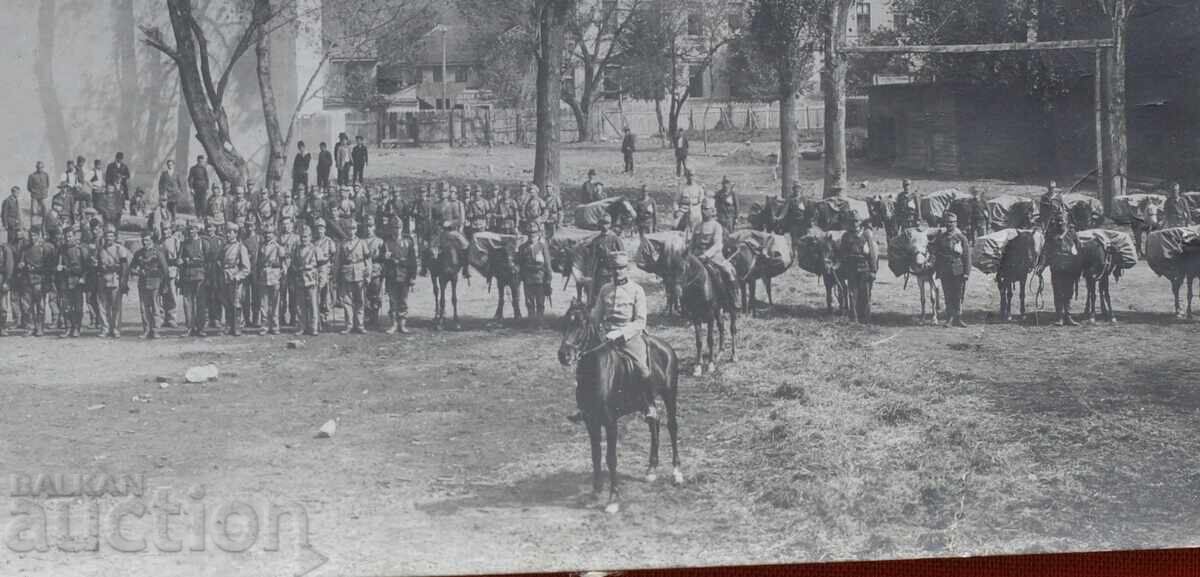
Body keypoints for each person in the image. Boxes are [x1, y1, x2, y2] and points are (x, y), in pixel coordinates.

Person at [567, 250, 655, 424]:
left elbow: (640, 321)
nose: (617, 272)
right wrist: (585, 318)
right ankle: (583, 407)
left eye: (621, 268)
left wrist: (622, 333)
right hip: (606, 336)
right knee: (585, 365)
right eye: (614, 268)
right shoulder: (605, 289)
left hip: (630, 336)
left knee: (642, 368)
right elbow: (596, 316)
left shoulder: (637, 290)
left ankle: (649, 405)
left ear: (627, 269)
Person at [690, 199, 739, 308]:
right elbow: (692, 243)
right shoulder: (697, 226)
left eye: (706, 209)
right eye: (702, 208)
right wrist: (689, 254)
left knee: (728, 272)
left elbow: (717, 245)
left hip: (713, 258)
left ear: (712, 211)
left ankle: (733, 299)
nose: (703, 211)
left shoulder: (716, 226)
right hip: (697, 257)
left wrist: (706, 255)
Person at [836, 213, 878, 324]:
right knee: (852, 293)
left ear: (860, 222)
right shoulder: (846, 236)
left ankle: (865, 318)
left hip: (865, 268)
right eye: (852, 221)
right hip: (851, 269)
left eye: (856, 221)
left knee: (865, 294)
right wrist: (842, 268)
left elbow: (872, 254)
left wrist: (873, 270)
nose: (854, 224)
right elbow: (842, 254)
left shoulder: (866, 235)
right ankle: (853, 318)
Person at [933, 212, 971, 328]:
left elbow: (967, 256)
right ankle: (949, 318)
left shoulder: (961, 238)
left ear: (956, 223)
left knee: (958, 295)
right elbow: (936, 254)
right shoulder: (941, 238)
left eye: (952, 222)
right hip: (945, 270)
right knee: (948, 294)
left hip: (958, 270)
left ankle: (958, 318)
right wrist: (937, 270)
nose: (949, 224)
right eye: (947, 222)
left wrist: (966, 272)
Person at [129, 230, 169, 339]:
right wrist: (137, 271)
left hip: (155, 282)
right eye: (143, 240)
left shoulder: (158, 252)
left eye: (147, 240)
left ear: (152, 240)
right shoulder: (138, 253)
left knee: (155, 307)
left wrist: (165, 284)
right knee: (144, 308)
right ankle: (146, 329)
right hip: (142, 282)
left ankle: (155, 330)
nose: (144, 242)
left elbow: (165, 269)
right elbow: (132, 267)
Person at [93, 225, 131, 338]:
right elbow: (97, 264)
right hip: (102, 279)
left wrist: (124, 282)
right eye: (107, 236)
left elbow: (124, 267)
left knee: (116, 306)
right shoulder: (100, 250)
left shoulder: (120, 249)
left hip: (115, 279)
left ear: (115, 237)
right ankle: (105, 328)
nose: (109, 238)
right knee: (102, 306)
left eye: (111, 236)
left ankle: (115, 328)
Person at [380, 222, 418, 335]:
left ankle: (402, 324)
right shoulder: (386, 243)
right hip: (391, 275)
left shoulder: (408, 242)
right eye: (394, 227)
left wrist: (413, 276)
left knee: (403, 301)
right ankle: (393, 324)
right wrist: (384, 257)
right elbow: (381, 259)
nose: (397, 230)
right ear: (391, 229)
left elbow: (413, 261)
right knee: (392, 301)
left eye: (399, 227)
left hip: (404, 275)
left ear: (402, 228)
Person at [335, 222, 371, 334]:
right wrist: (336, 276)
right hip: (346, 273)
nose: (351, 231)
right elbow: (337, 261)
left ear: (356, 230)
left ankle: (360, 325)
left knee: (360, 300)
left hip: (360, 273)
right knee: (347, 301)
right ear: (346, 230)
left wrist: (368, 274)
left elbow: (368, 259)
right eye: (349, 229)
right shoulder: (342, 244)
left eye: (353, 228)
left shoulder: (362, 242)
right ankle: (349, 325)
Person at [17, 228, 54, 336]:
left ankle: (40, 328)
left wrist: (37, 269)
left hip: (39, 281)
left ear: (39, 235)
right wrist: (21, 265)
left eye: (34, 235)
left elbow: (48, 267)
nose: (32, 237)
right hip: (27, 280)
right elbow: (21, 261)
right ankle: (30, 327)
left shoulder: (44, 248)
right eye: (31, 235)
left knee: (40, 306)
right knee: (27, 306)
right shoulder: (25, 248)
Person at [218, 223, 251, 336]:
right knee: (226, 302)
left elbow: (246, 268)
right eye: (226, 232)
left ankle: (237, 326)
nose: (227, 235)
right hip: (225, 277)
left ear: (236, 234)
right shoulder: (224, 247)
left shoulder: (241, 247)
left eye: (230, 232)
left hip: (235, 279)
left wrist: (239, 276)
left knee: (236, 303)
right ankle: (228, 325)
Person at [254, 226, 288, 335]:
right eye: (266, 233)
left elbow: (284, 263)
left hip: (274, 276)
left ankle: (275, 326)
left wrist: (282, 273)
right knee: (263, 304)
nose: (267, 235)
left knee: (275, 303)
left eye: (270, 233)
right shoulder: (261, 246)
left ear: (274, 234)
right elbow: (258, 262)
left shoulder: (278, 247)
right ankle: (264, 326)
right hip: (263, 277)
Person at [518, 226, 553, 324]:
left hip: (540, 277)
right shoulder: (522, 247)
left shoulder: (542, 246)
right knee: (529, 302)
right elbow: (520, 263)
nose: (531, 236)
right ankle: (531, 321)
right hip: (528, 277)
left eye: (534, 233)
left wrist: (549, 278)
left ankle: (540, 322)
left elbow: (547, 263)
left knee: (540, 302)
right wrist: (521, 276)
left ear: (538, 234)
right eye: (529, 233)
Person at [587, 212, 625, 301]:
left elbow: (623, 255)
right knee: (599, 291)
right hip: (600, 270)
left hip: (614, 270)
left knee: (614, 292)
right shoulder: (596, 240)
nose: (604, 226)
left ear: (610, 224)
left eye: (606, 223)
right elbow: (592, 256)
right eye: (602, 223)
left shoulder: (615, 238)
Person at [57, 226, 86, 338]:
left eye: (70, 236)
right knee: (66, 306)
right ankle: (68, 328)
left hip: (76, 280)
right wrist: (58, 268)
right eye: (66, 237)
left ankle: (77, 328)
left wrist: (83, 277)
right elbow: (58, 264)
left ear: (74, 236)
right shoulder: (61, 249)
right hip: (65, 280)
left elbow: (86, 266)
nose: (68, 238)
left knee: (78, 306)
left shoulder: (80, 249)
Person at [178, 222, 207, 336]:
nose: (191, 231)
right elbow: (179, 259)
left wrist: (190, 260)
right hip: (187, 276)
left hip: (200, 276)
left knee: (200, 302)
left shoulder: (203, 243)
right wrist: (182, 261)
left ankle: (201, 328)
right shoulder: (184, 243)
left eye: (193, 229)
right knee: (187, 303)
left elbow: (206, 260)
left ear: (197, 230)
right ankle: (189, 327)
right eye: (189, 229)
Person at [292, 225, 320, 336]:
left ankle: (314, 327)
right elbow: (294, 263)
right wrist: (296, 269)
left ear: (310, 237)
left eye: (306, 237)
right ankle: (301, 327)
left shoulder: (315, 249)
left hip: (311, 279)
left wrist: (321, 278)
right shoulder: (297, 249)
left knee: (313, 304)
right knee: (300, 305)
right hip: (300, 279)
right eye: (302, 237)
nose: (304, 239)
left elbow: (321, 264)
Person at [312, 219, 336, 330]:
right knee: (315, 294)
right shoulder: (313, 241)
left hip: (325, 268)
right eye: (317, 228)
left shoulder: (329, 241)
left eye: (321, 228)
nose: (319, 230)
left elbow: (333, 256)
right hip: (314, 269)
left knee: (325, 295)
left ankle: (325, 318)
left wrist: (331, 269)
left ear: (325, 229)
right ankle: (316, 319)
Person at [363, 220, 385, 329]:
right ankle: (367, 318)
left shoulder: (379, 241)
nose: (368, 229)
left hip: (376, 271)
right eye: (367, 226)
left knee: (376, 295)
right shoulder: (361, 241)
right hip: (364, 271)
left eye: (370, 226)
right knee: (365, 295)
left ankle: (375, 318)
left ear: (374, 227)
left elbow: (384, 257)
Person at [159, 223, 181, 328]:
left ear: (171, 230)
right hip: (161, 271)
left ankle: (172, 318)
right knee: (162, 294)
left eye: (167, 229)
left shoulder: (176, 241)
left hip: (172, 270)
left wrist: (178, 272)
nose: (165, 232)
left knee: (172, 295)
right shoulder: (159, 242)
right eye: (163, 229)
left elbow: (179, 257)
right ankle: (163, 317)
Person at [28, 161, 51, 227]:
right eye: (38, 167)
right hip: (35, 196)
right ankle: (33, 227)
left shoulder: (46, 175)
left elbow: (47, 185)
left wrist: (44, 192)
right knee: (34, 211)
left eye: (41, 167)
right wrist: (34, 191)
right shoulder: (32, 176)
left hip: (43, 196)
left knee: (45, 211)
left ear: (43, 167)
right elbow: (29, 187)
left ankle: (44, 226)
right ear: (36, 167)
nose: (39, 169)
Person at [0, 238, 12, 335]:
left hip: (1, 278)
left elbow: (9, 265)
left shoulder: (4, 249)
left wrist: (6, 281)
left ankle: (2, 327)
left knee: (2, 305)